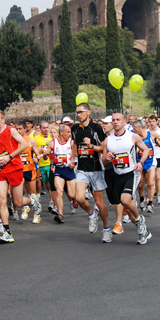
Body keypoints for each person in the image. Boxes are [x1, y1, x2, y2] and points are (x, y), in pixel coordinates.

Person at [101, 113, 152, 244]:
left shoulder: (132, 136)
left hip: (132, 173)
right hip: (118, 174)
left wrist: (140, 162)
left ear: (124, 121)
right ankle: (143, 231)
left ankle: (140, 220)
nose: (115, 122)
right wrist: (106, 159)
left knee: (125, 200)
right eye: (113, 120)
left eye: (118, 120)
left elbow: (146, 149)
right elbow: (104, 160)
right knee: (127, 208)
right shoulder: (108, 140)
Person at [0, 110, 39, 244]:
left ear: (2, 120)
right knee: (1, 200)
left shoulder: (10, 130)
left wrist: (10, 156)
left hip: (15, 167)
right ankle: (7, 231)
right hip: (0, 170)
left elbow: (23, 145)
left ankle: (33, 201)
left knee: (17, 202)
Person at [71, 103, 110, 241]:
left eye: (80, 112)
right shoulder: (75, 128)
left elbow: (104, 148)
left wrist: (91, 146)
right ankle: (92, 214)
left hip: (96, 168)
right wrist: (72, 159)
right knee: (79, 198)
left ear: (88, 112)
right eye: (77, 112)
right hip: (82, 168)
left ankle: (106, 229)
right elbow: (74, 144)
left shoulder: (96, 128)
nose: (78, 114)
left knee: (100, 202)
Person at [45, 124, 76, 224]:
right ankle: (60, 214)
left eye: (70, 132)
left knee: (71, 194)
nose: (69, 134)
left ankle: (75, 199)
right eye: (68, 132)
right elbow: (46, 156)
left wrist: (73, 163)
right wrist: (45, 155)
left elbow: (77, 155)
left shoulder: (72, 143)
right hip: (58, 170)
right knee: (59, 192)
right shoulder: (52, 143)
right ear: (61, 133)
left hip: (69, 170)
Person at [15, 123, 42, 221]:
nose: (18, 131)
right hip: (19, 170)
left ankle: (37, 213)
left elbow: (38, 155)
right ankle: (25, 206)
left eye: (20, 128)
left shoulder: (30, 141)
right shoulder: (14, 141)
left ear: (25, 129)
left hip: (30, 169)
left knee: (32, 193)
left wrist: (37, 158)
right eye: (16, 129)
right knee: (19, 191)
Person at [131, 119, 156, 213]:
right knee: (140, 184)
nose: (133, 130)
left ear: (139, 127)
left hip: (151, 161)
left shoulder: (150, 134)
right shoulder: (135, 136)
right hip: (140, 161)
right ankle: (142, 198)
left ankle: (150, 203)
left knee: (150, 183)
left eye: (134, 128)